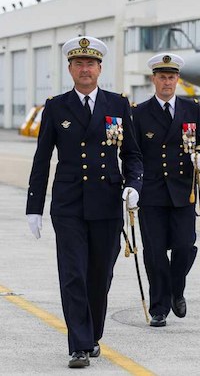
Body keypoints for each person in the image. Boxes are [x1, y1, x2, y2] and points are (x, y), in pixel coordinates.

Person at [26, 36, 143, 368]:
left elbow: (132, 155)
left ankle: (91, 335)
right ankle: (78, 344)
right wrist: (34, 206)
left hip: (106, 202)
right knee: (73, 272)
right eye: (78, 63)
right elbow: (42, 158)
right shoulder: (56, 106)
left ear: (99, 68)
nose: (85, 69)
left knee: (100, 274)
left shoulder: (118, 105)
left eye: (90, 63)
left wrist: (135, 185)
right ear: (70, 69)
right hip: (68, 204)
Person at [132, 53, 200, 327]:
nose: (167, 82)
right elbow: (133, 152)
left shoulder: (192, 109)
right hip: (152, 192)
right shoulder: (139, 112)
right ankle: (159, 307)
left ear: (178, 79)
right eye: (162, 77)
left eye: (172, 77)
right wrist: (132, 185)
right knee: (154, 253)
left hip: (183, 190)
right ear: (154, 79)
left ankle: (176, 289)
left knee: (184, 247)